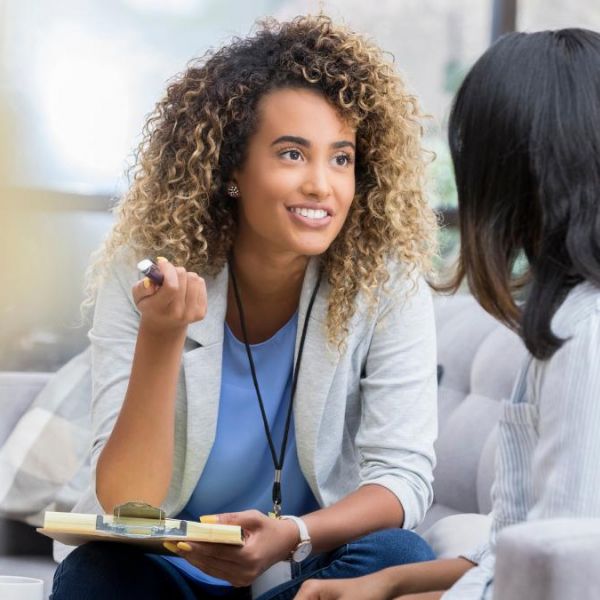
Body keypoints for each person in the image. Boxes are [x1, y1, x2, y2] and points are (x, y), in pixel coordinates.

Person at [50, 15, 440, 600]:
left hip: (304, 573)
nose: (321, 185)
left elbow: (402, 478)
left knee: (399, 555)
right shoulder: (149, 270)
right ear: (232, 168)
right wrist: (162, 337)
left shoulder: (387, 283)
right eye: (291, 154)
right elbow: (128, 502)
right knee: (95, 574)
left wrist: (294, 534)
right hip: (167, 567)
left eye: (341, 158)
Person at [295, 27, 600, 600]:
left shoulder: (588, 336)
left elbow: (562, 579)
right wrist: (387, 585)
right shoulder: (558, 325)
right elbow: (512, 555)